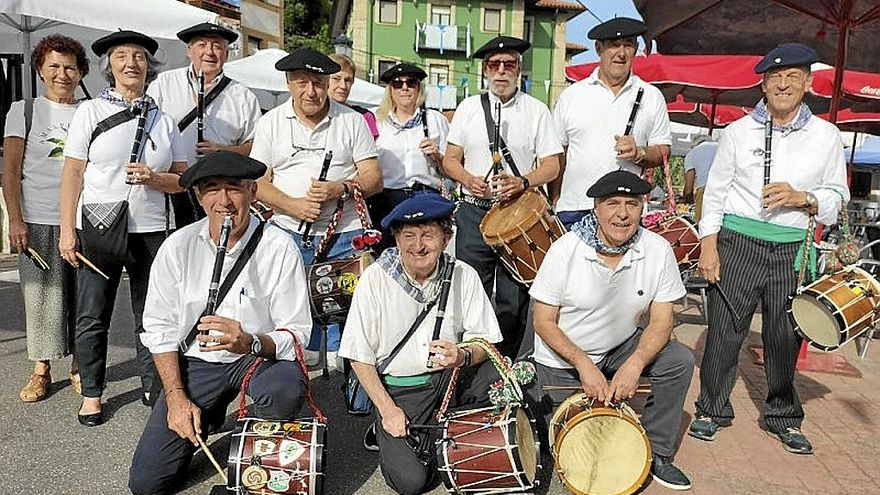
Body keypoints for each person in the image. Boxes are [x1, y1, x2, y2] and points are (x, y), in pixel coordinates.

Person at [691, 43, 849, 455]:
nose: (783, 83)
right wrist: (709, 245)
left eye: (793, 76)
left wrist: (805, 198)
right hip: (738, 240)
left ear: (808, 83)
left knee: (784, 335)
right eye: (775, 77)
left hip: (792, 249)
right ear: (762, 85)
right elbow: (717, 192)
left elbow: (838, 194)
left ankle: (783, 416)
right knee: (725, 330)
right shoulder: (738, 132)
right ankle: (711, 409)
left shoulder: (827, 136)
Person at [128, 151, 312, 495]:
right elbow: (159, 329)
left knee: (282, 388)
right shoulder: (177, 247)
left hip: (255, 360)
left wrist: (251, 342)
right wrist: (177, 397)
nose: (224, 201)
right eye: (212, 189)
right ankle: (205, 414)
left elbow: (298, 333)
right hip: (197, 363)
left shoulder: (278, 247)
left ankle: (257, 458)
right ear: (198, 197)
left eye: (235, 188)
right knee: (146, 484)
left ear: (253, 193)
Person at [528, 170, 695, 491]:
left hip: (620, 344)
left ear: (643, 208)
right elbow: (543, 322)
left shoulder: (657, 249)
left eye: (631, 204)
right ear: (596, 209)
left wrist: (635, 364)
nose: (622, 213)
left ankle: (658, 452)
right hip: (564, 355)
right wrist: (584, 364)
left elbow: (662, 321)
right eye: (612, 204)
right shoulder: (565, 250)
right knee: (580, 448)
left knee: (679, 360)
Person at [59, 30, 187, 425]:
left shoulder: (165, 121)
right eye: (122, 56)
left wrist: (154, 178)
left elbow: (183, 179)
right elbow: (73, 173)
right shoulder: (90, 112)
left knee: (152, 315)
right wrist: (67, 229)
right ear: (109, 66)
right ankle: (93, 393)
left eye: (139, 57)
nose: (132, 63)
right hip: (99, 226)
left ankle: (155, 387)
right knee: (93, 312)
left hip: (153, 229)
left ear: (150, 67)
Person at [339, 192, 504, 495]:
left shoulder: (463, 274)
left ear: (446, 237)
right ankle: (383, 425)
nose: (418, 246)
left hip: (450, 380)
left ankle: (457, 437)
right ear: (397, 239)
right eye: (409, 236)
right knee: (411, 482)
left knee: (495, 376)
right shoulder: (375, 279)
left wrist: (463, 355)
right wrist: (389, 410)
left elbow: (486, 341)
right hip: (401, 389)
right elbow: (358, 356)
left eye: (428, 235)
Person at [249, 48, 380, 370]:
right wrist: (292, 205)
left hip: (343, 233)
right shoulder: (270, 123)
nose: (311, 92)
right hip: (286, 231)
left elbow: (374, 179)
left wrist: (341, 189)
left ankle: (350, 383)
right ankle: (294, 380)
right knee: (288, 308)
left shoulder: (351, 120)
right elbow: (258, 184)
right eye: (303, 83)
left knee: (349, 310)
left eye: (319, 83)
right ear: (289, 83)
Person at [442, 35, 562, 359]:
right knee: (471, 290)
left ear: (519, 69)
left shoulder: (536, 111)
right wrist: (468, 178)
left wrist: (522, 182)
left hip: (515, 215)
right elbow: (450, 159)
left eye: (508, 64)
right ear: (485, 70)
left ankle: (506, 365)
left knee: (514, 297)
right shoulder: (468, 108)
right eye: (494, 65)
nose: (501, 71)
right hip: (474, 211)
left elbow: (552, 165)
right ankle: (471, 362)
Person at [2, 34, 89, 403]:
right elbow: (9, 171)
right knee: (40, 295)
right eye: (53, 65)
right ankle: (41, 369)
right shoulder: (24, 111)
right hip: (37, 215)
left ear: (81, 72)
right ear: (40, 69)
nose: (62, 73)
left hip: (84, 218)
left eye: (70, 66)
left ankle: (81, 364)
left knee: (83, 296)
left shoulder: (91, 110)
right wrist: (15, 220)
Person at [550, 17, 672, 228]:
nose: (621, 53)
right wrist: (555, 197)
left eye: (628, 45)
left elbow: (663, 151)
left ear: (636, 49)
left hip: (626, 211)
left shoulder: (652, 96)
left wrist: (639, 153)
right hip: (575, 207)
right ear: (599, 49)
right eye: (614, 45)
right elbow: (557, 153)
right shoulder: (572, 95)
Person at [147, 22, 262, 227]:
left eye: (217, 46)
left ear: (226, 54)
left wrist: (222, 150)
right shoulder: (163, 85)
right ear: (189, 51)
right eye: (202, 45)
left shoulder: (243, 96)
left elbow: (256, 146)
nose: (209, 52)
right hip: (171, 187)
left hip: (219, 191)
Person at [370, 62, 448, 254]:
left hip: (425, 196)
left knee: (424, 255)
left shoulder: (435, 120)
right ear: (390, 90)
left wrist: (437, 155)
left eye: (410, 83)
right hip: (387, 200)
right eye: (397, 84)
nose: (404, 88)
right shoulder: (376, 121)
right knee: (386, 256)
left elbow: (452, 168)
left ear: (418, 88)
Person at [328, 53, 380, 140]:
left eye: (348, 80)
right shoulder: (309, 114)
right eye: (336, 79)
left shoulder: (364, 116)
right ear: (325, 80)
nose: (343, 86)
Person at [682, 134, 718, 222]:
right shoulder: (720, 146)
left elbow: (688, 189)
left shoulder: (692, 154)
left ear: (693, 145)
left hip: (705, 191)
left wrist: (687, 200)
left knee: (703, 224)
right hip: (726, 188)